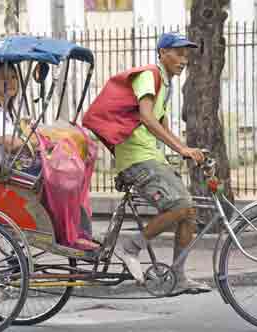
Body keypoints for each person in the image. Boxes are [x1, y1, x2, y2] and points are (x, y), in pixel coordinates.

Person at [85, 32, 211, 292]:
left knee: (189, 214)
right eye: (177, 52)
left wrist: (187, 150)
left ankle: (177, 277)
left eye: (186, 54)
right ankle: (130, 247)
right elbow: (146, 118)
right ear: (163, 53)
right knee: (181, 205)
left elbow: (163, 129)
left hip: (149, 156)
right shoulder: (149, 75)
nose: (183, 59)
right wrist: (182, 149)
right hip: (135, 158)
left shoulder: (166, 85)